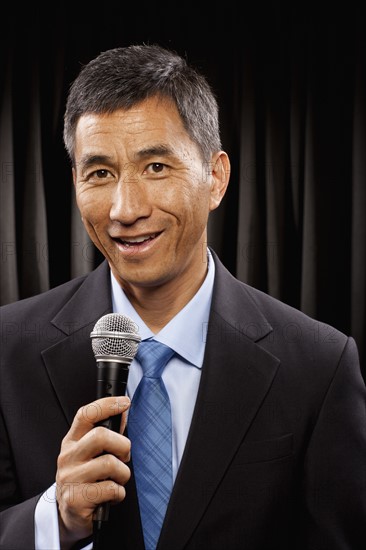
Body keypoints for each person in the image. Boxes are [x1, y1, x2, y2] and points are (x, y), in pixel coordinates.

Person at [0, 43, 365, 550]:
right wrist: (55, 519)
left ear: (215, 178)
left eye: (155, 167)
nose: (124, 210)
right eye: (100, 174)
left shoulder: (320, 366)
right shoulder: (6, 349)